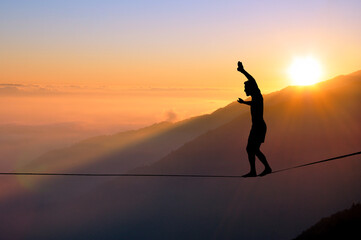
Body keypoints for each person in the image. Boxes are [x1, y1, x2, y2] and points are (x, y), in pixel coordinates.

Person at [237, 61, 272, 177]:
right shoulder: (255, 98)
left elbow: (252, 80)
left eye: (245, 88)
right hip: (257, 127)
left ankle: (265, 168)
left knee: (253, 149)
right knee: (250, 149)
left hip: (259, 127)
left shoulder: (257, 94)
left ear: (251, 88)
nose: (244, 90)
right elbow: (254, 104)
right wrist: (244, 103)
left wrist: (243, 71)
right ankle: (255, 170)